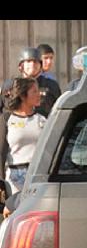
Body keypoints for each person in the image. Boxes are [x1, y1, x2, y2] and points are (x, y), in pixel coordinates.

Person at [1, 77, 46, 216]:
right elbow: (1, 152)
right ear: (22, 95)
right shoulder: (7, 119)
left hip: (37, 176)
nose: (39, 94)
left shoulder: (42, 120)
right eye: (34, 91)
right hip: (14, 179)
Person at [1, 47, 61, 118]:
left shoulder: (51, 85)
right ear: (21, 65)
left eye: (35, 62)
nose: (32, 65)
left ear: (40, 65)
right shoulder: (10, 85)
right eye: (28, 61)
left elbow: (59, 110)